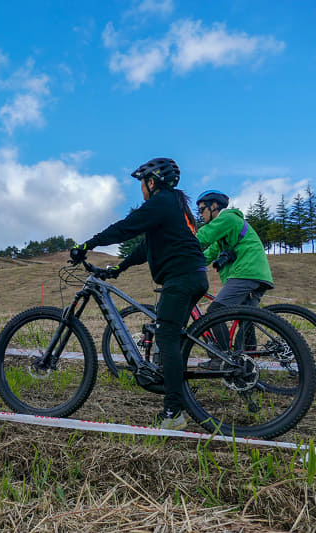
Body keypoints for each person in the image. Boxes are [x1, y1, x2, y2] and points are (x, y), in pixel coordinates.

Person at [69, 157, 208, 431]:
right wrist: (118, 268)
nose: (141, 189)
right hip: (191, 275)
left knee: (166, 335)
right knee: (172, 334)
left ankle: (173, 412)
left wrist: (88, 244)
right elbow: (146, 247)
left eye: (142, 183)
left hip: (181, 277)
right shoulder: (174, 206)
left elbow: (126, 227)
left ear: (152, 182)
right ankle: (174, 392)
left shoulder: (162, 201)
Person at [195, 190, 274, 368]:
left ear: (214, 206)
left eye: (201, 210)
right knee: (246, 318)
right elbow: (207, 254)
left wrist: (178, 246)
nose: (200, 215)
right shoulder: (227, 229)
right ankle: (246, 362)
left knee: (215, 311)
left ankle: (221, 357)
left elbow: (203, 236)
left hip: (247, 272)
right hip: (257, 274)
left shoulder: (227, 219)